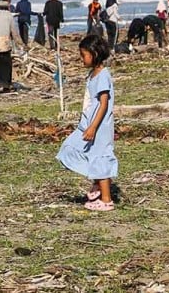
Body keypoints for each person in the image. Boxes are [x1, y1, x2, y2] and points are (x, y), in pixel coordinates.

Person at [56, 35, 117, 211]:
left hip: (99, 127)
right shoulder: (93, 74)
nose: (81, 59)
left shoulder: (103, 75)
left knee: (100, 158)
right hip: (87, 124)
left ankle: (106, 199)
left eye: (83, 55)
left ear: (95, 54)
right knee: (69, 148)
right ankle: (98, 182)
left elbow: (104, 104)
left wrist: (93, 127)